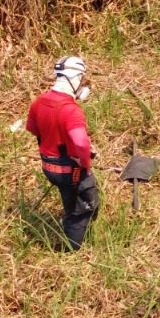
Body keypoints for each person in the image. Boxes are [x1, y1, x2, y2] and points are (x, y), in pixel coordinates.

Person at [26, 56, 98, 251]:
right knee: (80, 208)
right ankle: (71, 250)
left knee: (76, 198)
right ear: (75, 78)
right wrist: (85, 163)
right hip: (69, 170)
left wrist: (56, 139)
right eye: (81, 78)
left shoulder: (39, 101)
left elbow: (32, 128)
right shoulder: (71, 110)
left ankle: (85, 228)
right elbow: (81, 142)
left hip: (48, 165)